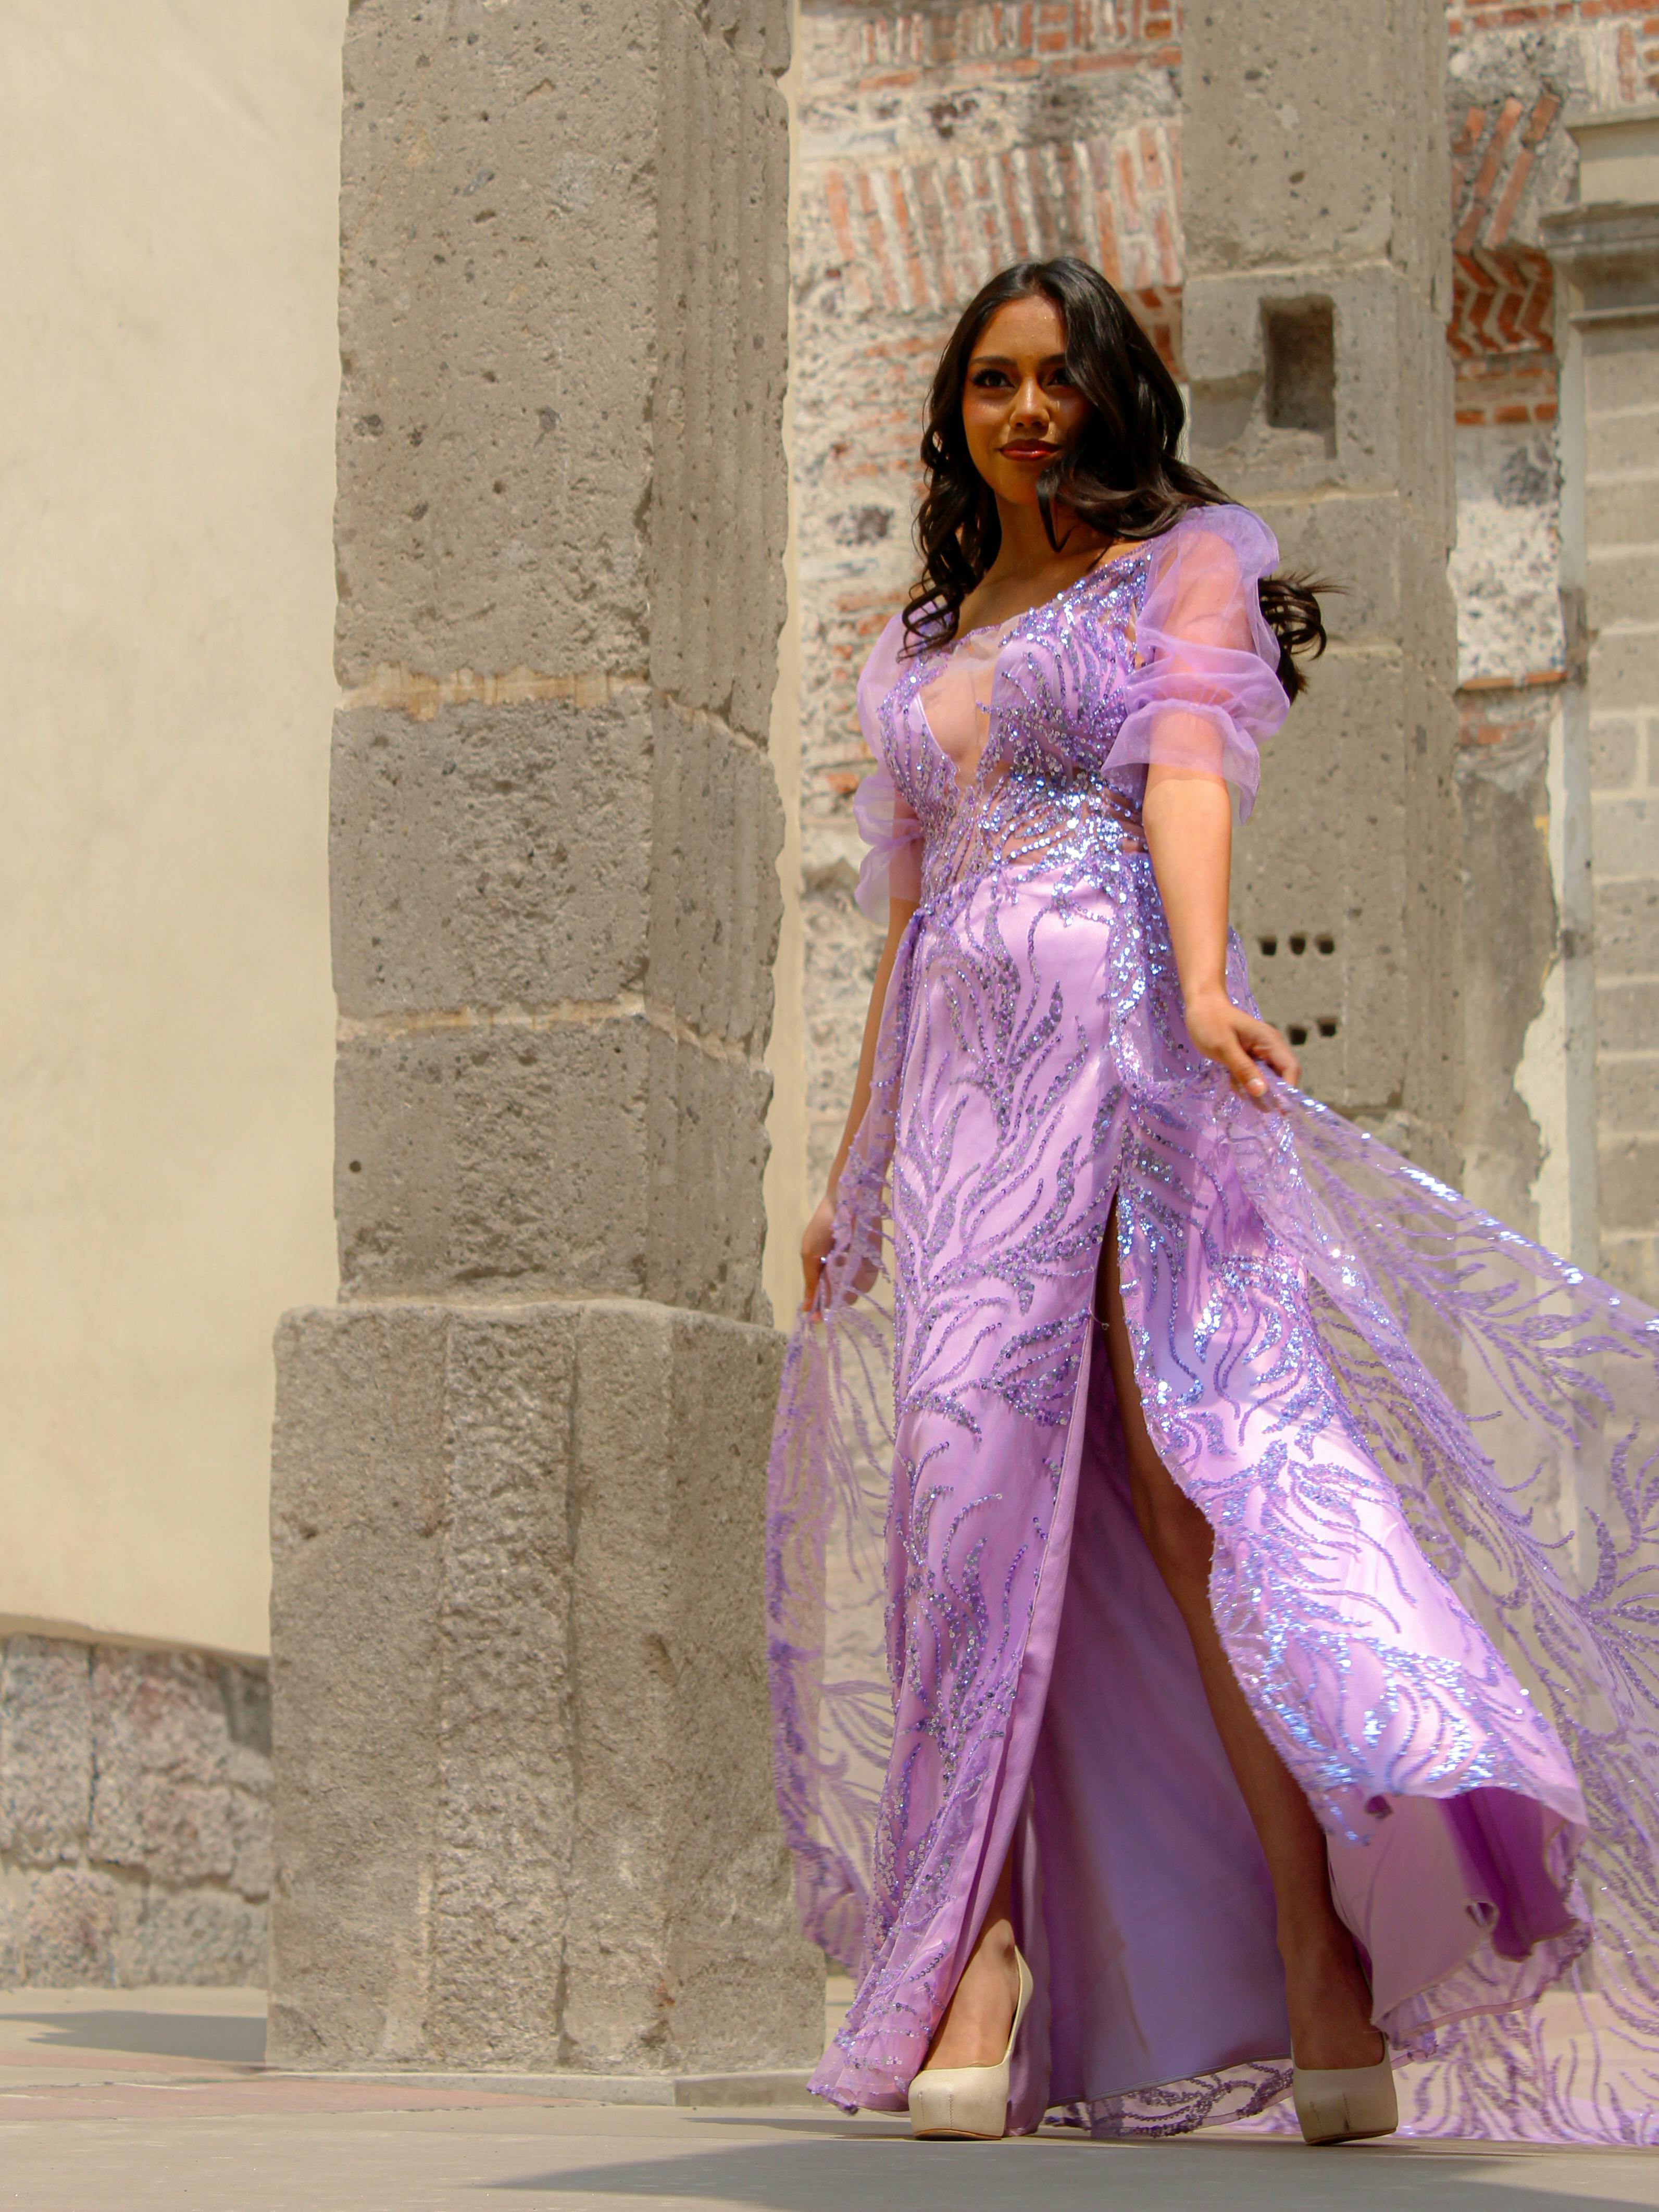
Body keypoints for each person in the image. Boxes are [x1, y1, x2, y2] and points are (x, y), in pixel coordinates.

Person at [765, 257, 1659, 2147]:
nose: (1024, 412)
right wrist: (854, 1167)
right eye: (992, 383)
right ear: (959, 409)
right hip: (959, 1093)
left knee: (1192, 1500)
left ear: (1109, 394)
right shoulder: (917, 628)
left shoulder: (1184, 564)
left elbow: (1182, 780)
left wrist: (1193, 983)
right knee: (960, 1504)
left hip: (1121, 1038)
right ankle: (977, 1957)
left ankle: (1317, 1953)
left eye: (1056, 379)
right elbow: (905, 918)